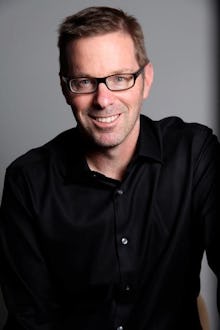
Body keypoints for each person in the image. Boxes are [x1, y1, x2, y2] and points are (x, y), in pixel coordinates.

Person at [0, 6, 219, 330]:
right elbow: (32, 320)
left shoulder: (195, 152)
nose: (103, 99)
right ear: (65, 88)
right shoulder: (27, 181)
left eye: (120, 78)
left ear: (145, 80)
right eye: (84, 81)